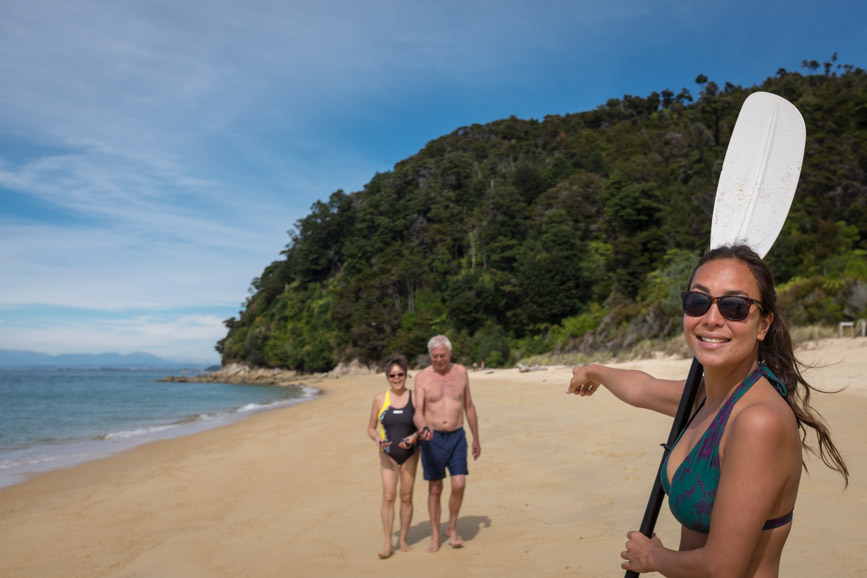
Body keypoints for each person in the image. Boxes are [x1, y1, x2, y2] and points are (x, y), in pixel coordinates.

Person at [568, 244, 848, 577]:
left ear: (763, 324)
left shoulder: (758, 421)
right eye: (698, 302)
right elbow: (641, 387)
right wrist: (594, 371)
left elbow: (722, 568)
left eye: (735, 306)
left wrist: (653, 558)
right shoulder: (706, 398)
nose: (712, 319)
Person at [413, 335, 481, 552]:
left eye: (442, 355)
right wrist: (422, 428)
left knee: (459, 484)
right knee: (435, 489)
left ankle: (451, 527)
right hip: (432, 438)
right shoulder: (422, 377)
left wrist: (476, 438)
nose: (439, 360)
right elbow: (417, 412)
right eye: (434, 356)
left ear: (450, 353)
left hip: (457, 436)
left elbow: (468, 406)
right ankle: (435, 535)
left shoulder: (461, 372)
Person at [367, 354, 420, 559]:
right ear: (387, 377)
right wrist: (378, 440)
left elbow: (424, 425)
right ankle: (388, 543)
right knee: (388, 497)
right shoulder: (380, 399)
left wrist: (414, 438)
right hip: (387, 455)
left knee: (406, 497)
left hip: (410, 454)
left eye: (400, 374)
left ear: (406, 375)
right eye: (392, 375)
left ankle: (404, 539)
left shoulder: (415, 398)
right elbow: (371, 428)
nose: (396, 378)